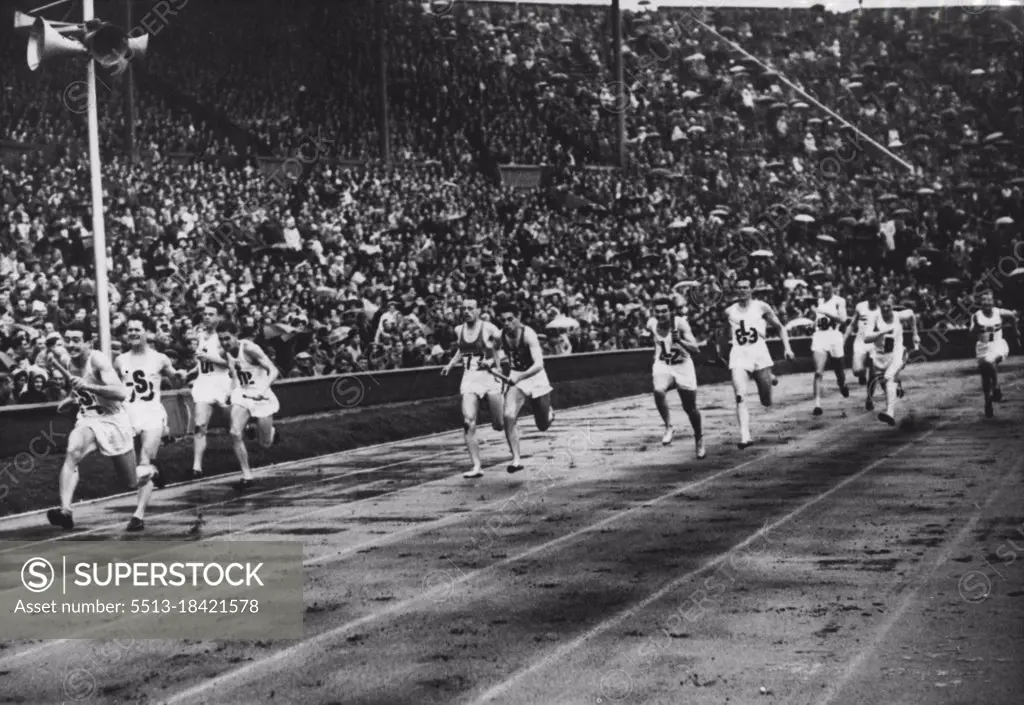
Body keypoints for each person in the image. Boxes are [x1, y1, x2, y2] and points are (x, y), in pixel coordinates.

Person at [44, 326, 155, 532]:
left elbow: (120, 393)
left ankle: (150, 472)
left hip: (114, 422)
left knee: (130, 482)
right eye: (68, 340)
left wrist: (88, 387)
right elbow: (76, 384)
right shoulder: (68, 360)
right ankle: (65, 511)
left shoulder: (98, 360)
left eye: (76, 339)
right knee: (72, 451)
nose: (71, 345)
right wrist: (71, 398)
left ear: (89, 343)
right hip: (89, 419)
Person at [716, 280, 794, 448]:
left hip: (759, 353)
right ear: (735, 290)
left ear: (751, 290)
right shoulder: (729, 311)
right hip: (739, 354)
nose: (742, 290)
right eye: (739, 287)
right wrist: (720, 351)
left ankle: (769, 376)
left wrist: (787, 348)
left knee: (766, 401)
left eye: (745, 287)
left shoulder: (761, 307)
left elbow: (780, 327)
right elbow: (722, 332)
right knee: (739, 395)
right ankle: (745, 436)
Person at [114, 315, 186, 489]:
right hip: (129, 412)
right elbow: (113, 386)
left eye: (137, 329)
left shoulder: (159, 358)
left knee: (144, 459)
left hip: (151, 411)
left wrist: (180, 375)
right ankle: (155, 470)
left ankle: (139, 513)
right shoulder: (120, 360)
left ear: (146, 332)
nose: (133, 333)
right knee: (137, 459)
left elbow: (175, 379)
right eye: (130, 330)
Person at [441, 299, 504, 479]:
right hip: (469, 378)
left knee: (499, 424)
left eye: (470, 308)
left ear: (478, 310)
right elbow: (461, 350)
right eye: (464, 309)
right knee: (468, 422)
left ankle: (498, 419)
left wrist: (491, 361)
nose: (467, 311)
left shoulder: (490, 328)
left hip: (489, 377)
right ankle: (476, 465)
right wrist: (451, 365)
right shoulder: (459, 330)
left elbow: (501, 351)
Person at [216, 320, 281, 492]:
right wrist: (231, 392)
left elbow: (273, 370)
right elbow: (235, 376)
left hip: (261, 395)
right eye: (221, 339)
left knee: (264, 443)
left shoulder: (250, 348)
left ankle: (271, 432)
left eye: (227, 339)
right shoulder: (227, 352)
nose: (224, 343)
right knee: (235, 433)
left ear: (236, 336)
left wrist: (263, 388)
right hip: (243, 395)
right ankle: (247, 475)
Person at [495, 302, 556, 473]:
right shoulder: (500, 336)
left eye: (510, 319)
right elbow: (494, 349)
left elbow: (539, 364)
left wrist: (520, 376)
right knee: (508, 415)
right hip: (517, 378)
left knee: (543, 425)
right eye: (503, 321)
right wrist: (494, 364)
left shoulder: (529, 334)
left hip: (536, 378)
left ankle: (549, 413)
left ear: (518, 318)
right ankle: (516, 459)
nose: (507, 324)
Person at [646, 297, 705, 459]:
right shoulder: (652, 323)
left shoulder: (680, 324)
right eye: (657, 311)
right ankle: (668, 426)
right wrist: (646, 336)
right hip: (663, 364)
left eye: (664, 311)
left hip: (683, 365)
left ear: (671, 311)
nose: (660, 314)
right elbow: (647, 330)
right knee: (658, 390)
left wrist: (680, 340)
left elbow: (696, 350)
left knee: (690, 408)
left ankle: (699, 438)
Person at [189, 303, 233, 480]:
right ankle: (196, 466)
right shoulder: (200, 336)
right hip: (204, 383)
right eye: (205, 314)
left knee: (234, 425)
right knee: (200, 425)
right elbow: (201, 363)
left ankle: (250, 427)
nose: (206, 317)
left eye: (211, 314)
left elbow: (230, 363)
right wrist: (191, 371)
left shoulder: (223, 337)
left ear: (219, 317)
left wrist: (208, 357)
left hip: (221, 383)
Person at [864, 295, 920, 426]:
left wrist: (915, 333)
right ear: (879, 306)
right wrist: (880, 332)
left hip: (897, 353)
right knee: (884, 381)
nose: (885, 308)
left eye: (888, 306)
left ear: (892, 305)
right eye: (882, 306)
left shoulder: (898, 316)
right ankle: (896, 387)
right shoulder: (874, 319)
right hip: (880, 356)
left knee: (889, 377)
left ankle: (890, 413)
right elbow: (866, 338)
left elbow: (911, 314)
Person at [969, 291, 1019, 418]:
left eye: (989, 300)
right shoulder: (976, 316)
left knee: (990, 362)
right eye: (984, 300)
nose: (987, 303)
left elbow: (1012, 316)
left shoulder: (999, 312)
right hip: (983, 347)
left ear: (993, 302)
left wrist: (1016, 331)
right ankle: (988, 402)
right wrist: (976, 328)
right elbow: (971, 331)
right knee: (985, 376)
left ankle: (996, 387)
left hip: (998, 344)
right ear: (979, 303)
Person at [810, 281, 850, 415]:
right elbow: (817, 319)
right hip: (820, 336)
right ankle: (817, 404)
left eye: (828, 289)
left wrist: (825, 312)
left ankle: (842, 384)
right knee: (818, 371)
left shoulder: (839, 301)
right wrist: (813, 323)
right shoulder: (818, 301)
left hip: (834, 336)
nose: (826, 291)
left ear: (833, 289)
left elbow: (843, 320)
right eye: (824, 289)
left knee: (839, 370)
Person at [845, 287, 881, 388]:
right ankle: (862, 373)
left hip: (875, 344)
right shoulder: (860, 307)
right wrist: (844, 339)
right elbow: (852, 324)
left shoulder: (882, 310)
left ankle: (869, 400)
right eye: (871, 297)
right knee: (857, 371)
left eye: (875, 297)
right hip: (860, 342)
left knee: (874, 375)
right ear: (867, 297)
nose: (873, 300)